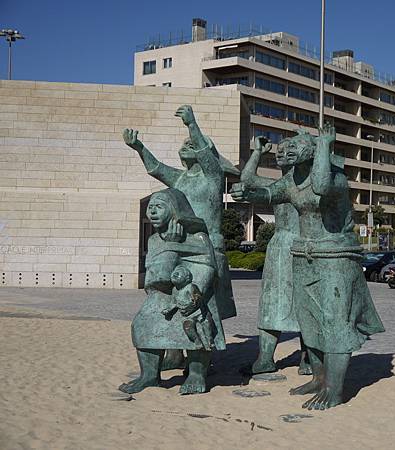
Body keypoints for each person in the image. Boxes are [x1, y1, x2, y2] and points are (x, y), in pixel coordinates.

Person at [231, 125, 385, 410]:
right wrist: (246, 192)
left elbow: (321, 186)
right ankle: (318, 377)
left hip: (336, 256)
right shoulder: (291, 181)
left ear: (312, 151)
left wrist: (325, 143)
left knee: (335, 323)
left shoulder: (335, 178)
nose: (285, 150)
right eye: (285, 147)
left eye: (294, 146)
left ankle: (334, 388)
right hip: (304, 255)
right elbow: (266, 193)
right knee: (310, 321)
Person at [123, 105, 236, 369]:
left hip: (206, 248)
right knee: (169, 299)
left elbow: (208, 156)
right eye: (185, 143)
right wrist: (139, 147)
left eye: (192, 144)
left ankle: (199, 364)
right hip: (179, 245)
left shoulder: (213, 176)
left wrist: (191, 125)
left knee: (198, 305)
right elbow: (156, 168)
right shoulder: (181, 178)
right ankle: (174, 353)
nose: (186, 146)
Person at [118, 188, 225, 395]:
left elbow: (207, 265)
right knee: (142, 324)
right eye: (150, 208)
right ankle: (149, 376)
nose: (153, 212)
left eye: (159, 207)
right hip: (161, 295)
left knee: (197, 329)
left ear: (175, 210)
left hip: (190, 296)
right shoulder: (154, 239)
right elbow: (154, 270)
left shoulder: (198, 236)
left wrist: (195, 295)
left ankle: (196, 375)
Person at [239, 135, 311, 376]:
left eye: (288, 150)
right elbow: (247, 180)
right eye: (278, 151)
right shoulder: (280, 183)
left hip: (300, 245)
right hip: (280, 245)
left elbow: (250, 187)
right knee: (272, 304)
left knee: (305, 303)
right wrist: (258, 152)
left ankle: (308, 358)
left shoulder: (304, 183)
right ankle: (267, 358)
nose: (281, 154)